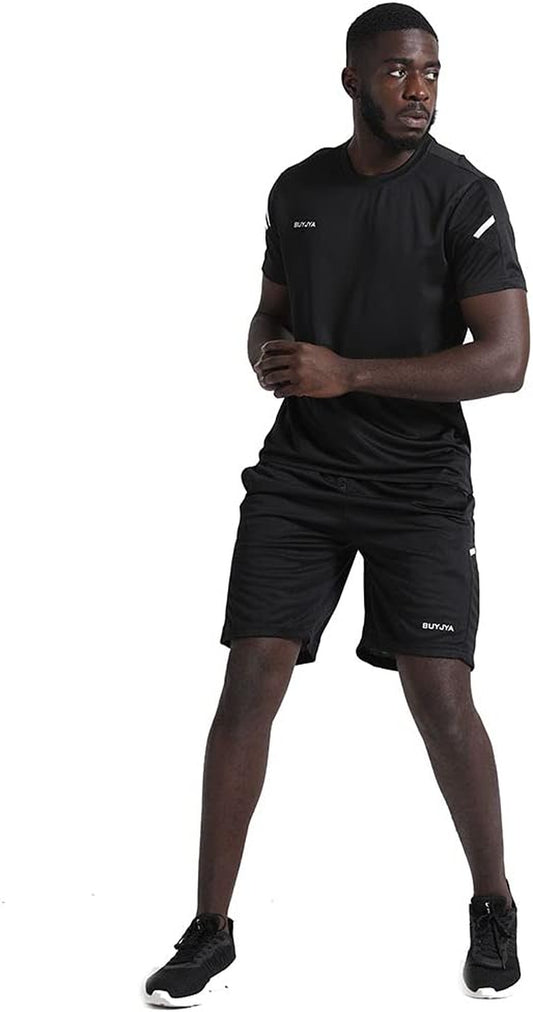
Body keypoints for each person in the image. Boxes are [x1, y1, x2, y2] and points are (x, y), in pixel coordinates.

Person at [143, 3, 529, 1004]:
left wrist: (346, 372)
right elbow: (269, 311)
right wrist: (268, 355)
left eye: (431, 72)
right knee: (249, 680)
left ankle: (492, 901)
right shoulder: (298, 188)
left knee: (439, 697)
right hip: (301, 477)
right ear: (352, 78)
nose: (418, 89)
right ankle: (210, 927)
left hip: (417, 486)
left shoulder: (464, 195)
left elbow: (504, 360)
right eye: (398, 71)